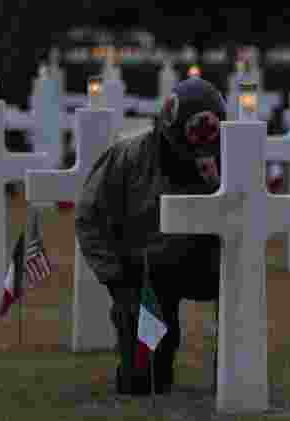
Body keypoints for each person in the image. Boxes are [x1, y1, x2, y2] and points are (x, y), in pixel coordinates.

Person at [76, 77, 224, 395]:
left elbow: (242, 219)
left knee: (240, 285)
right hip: (142, 272)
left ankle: (233, 376)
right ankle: (144, 366)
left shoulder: (224, 160)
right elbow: (90, 217)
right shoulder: (128, 158)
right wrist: (117, 277)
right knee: (144, 381)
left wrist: (217, 185)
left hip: (202, 262)